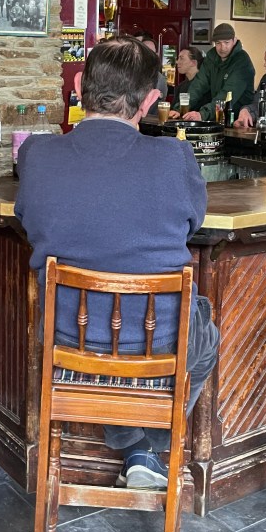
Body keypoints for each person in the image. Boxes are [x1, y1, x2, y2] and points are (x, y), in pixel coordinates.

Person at [15, 35, 219, 490]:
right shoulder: (174, 157)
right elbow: (192, 224)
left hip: (66, 343)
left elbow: (29, 221)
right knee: (205, 334)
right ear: (148, 102)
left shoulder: (37, 153)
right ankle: (148, 440)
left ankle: (136, 447)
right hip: (158, 347)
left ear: (82, 84)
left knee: (192, 324)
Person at [168, 22, 254, 121]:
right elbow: (198, 85)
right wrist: (180, 109)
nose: (222, 48)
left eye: (226, 42)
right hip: (217, 116)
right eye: (218, 43)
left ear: (234, 41)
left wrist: (203, 114)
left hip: (239, 120)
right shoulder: (212, 57)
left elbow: (227, 95)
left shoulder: (242, 61)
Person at [133, 32, 168, 117]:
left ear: (156, 55)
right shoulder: (129, 74)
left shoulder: (160, 79)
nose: (148, 56)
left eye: (151, 52)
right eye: (145, 52)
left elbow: (154, 108)